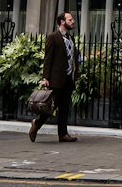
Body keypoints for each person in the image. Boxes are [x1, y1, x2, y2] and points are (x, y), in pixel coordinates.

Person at [30, 11, 79, 144]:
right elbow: (48, 59)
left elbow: (72, 58)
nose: (72, 21)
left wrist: (75, 74)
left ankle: (63, 134)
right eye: (70, 20)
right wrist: (45, 77)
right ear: (62, 22)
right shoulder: (53, 37)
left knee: (64, 107)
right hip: (56, 79)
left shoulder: (70, 38)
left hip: (68, 78)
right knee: (50, 107)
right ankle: (36, 124)